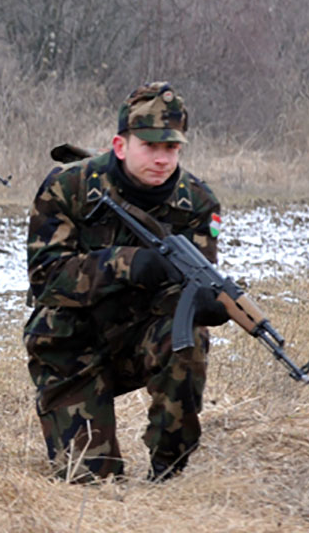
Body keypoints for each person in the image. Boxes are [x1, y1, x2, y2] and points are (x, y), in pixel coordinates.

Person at [24, 82, 229, 482]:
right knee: (90, 483)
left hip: (139, 338)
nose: (162, 158)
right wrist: (128, 265)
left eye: (171, 148)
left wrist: (206, 303)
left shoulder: (197, 203)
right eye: (149, 146)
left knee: (188, 337)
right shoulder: (68, 186)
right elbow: (46, 279)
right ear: (121, 146)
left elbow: (193, 283)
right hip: (70, 347)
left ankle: (168, 468)